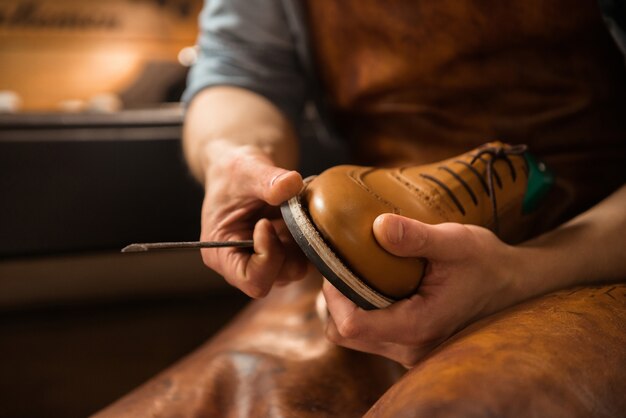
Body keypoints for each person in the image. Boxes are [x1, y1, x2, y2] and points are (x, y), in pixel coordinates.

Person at [91, 1, 626, 416]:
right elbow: (238, 72)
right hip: (361, 246)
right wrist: (232, 155)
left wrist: (521, 274)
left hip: (596, 251)